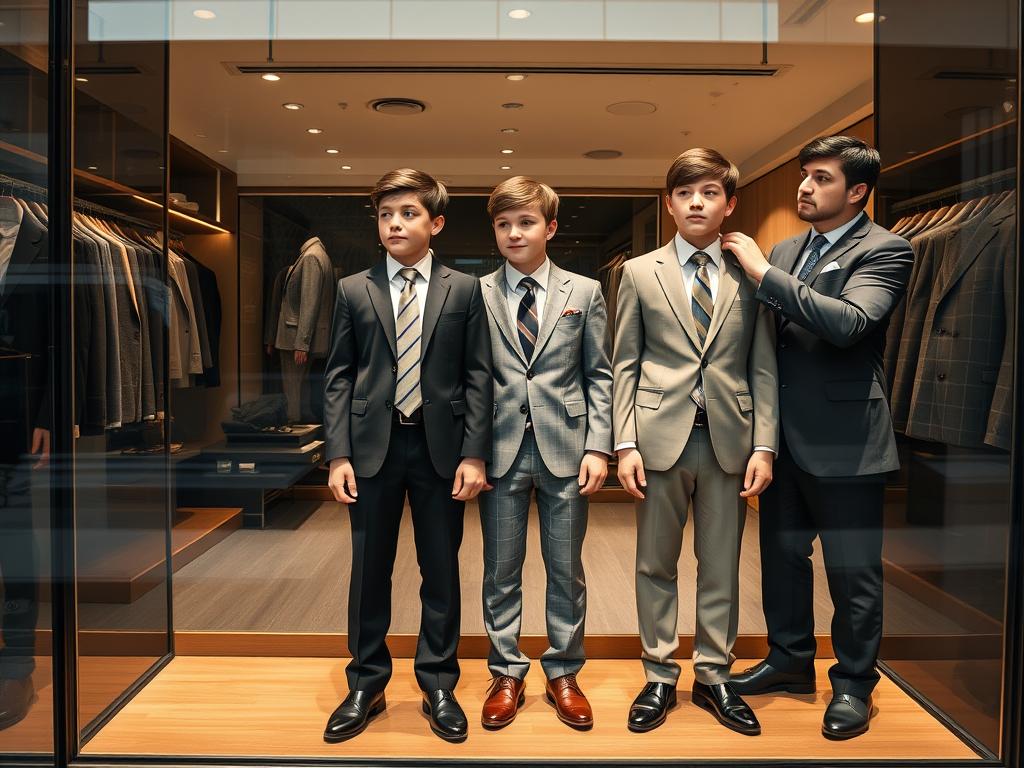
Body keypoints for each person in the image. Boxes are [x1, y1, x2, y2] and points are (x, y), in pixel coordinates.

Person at [723, 135, 914, 739]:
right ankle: (789, 660)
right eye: (804, 175)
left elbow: (849, 324)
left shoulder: (888, 249)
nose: (805, 187)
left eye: (821, 178)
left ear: (857, 191)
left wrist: (760, 271)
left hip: (847, 440)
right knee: (781, 560)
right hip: (781, 438)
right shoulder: (788, 246)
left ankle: (855, 682)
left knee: (852, 572)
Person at [322, 168, 493, 743]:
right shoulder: (352, 288)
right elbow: (339, 378)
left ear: (435, 223)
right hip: (371, 450)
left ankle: (438, 683)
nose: (395, 223)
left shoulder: (465, 290)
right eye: (386, 214)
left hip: (440, 449)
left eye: (409, 213)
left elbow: (477, 377)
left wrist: (475, 454)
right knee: (369, 569)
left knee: (440, 568)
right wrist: (336, 454)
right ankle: (366, 683)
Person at [613, 148, 778, 736]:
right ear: (669, 203)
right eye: (684, 193)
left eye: (709, 192)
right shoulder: (638, 272)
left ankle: (713, 675)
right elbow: (625, 363)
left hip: (730, 441)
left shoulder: (752, 274)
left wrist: (765, 445)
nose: (696, 203)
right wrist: (624, 443)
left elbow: (763, 367)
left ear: (729, 203)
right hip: (659, 439)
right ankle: (659, 675)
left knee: (722, 566)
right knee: (654, 563)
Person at [477, 177, 612, 731]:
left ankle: (563, 671)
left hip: (567, 447)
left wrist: (599, 446)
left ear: (550, 227)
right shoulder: (475, 292)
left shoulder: (584, 292)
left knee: (566, 568)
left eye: (526, 222)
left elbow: (599, 373)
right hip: (499, 449)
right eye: (504, 224)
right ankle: (506, 671)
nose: (514, 233)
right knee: (499, 570)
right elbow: (472, 379)